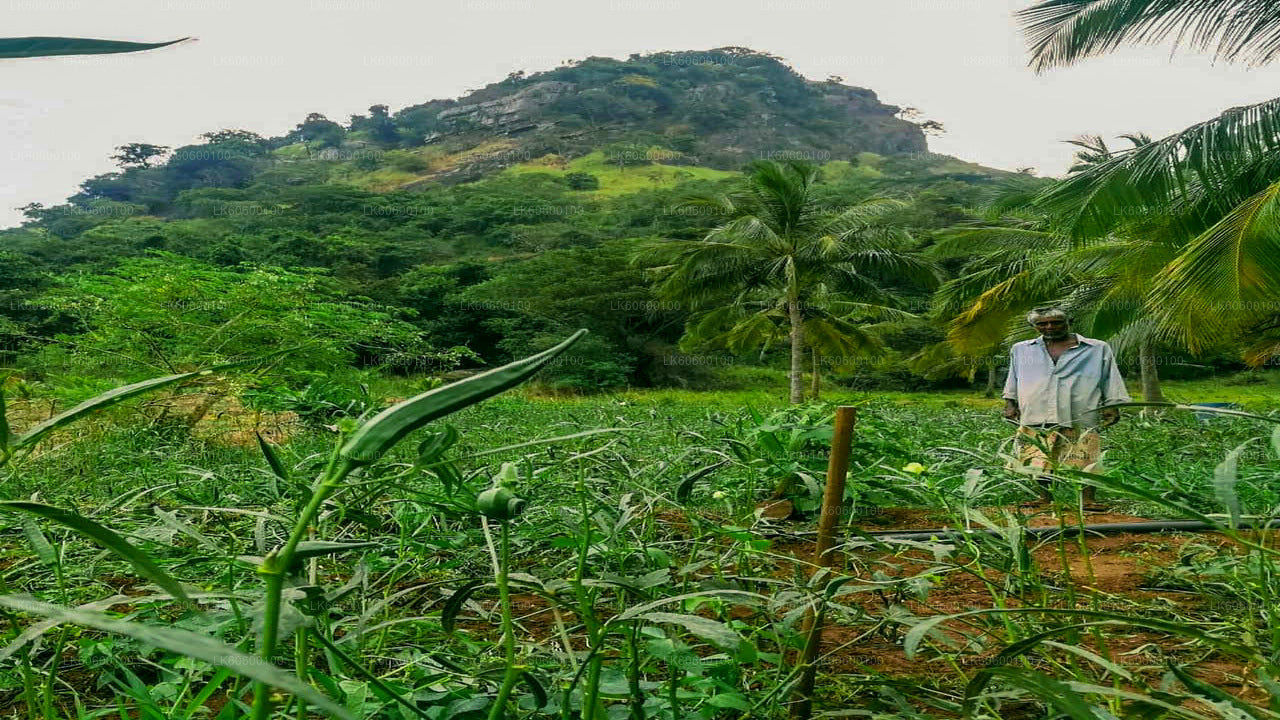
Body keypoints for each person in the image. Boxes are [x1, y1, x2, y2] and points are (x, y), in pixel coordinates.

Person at [1002, 307, 1131, 506]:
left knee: (1085, 452)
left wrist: (1112, 405)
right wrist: (1010, 402)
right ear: (1034, 326)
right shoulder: (1021, 349)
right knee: (1039, 455)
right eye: (1042, 324)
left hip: (1081, 408)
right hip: (1037, 409)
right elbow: (1014, 377)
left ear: (1069, 321)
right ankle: (1044, 498)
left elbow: (1110, 376)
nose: (1050, 327)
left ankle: (1087, 499)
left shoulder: (1096, 348)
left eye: (1056, 322)